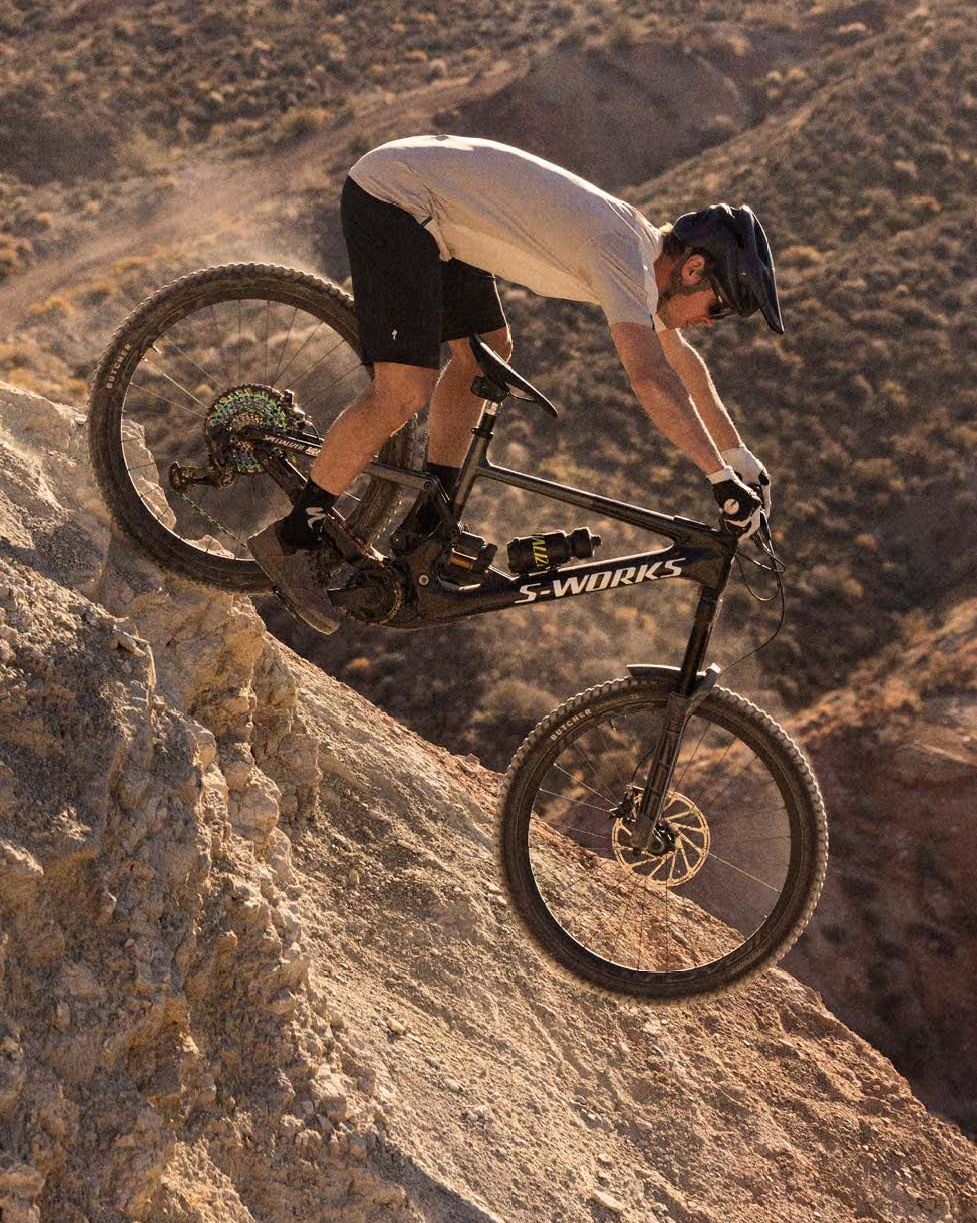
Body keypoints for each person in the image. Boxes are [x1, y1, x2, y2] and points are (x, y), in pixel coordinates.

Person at [249, 134, 782, 632]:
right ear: (691, 270)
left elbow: (681, 363)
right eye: (719, 307)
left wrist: (738, 461)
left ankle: (427, 522)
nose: (711, 322)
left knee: (487, 356)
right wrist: (715, 477)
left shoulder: (641, 256)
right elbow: (650, 377)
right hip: (398, 198)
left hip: (443, 219)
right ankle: (293, 539)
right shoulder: (623, 255)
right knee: (405, 389)